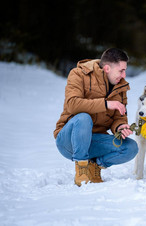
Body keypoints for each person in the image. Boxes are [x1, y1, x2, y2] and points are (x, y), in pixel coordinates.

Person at [54, 48, 138, 186]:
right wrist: (106, 104)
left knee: (131, 148)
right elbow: (72, 104)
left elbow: (120, 116)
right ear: (107, 68)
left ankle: (94, 166)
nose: (124, 75)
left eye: (125, 70)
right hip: (69, 141)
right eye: (121, 70)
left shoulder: (120, 86)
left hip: (95, 141)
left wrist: (120, 126)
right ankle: (81, 168)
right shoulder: (79, 74)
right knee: (83, 118)